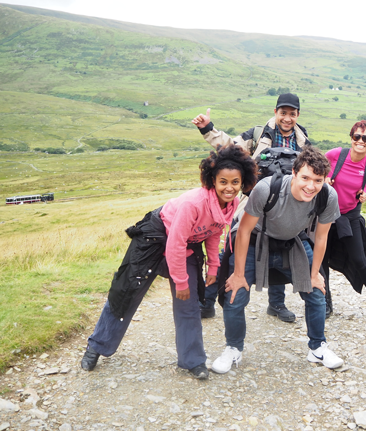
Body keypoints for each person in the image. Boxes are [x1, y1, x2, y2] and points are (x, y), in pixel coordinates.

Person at [81, 146, 257, 379]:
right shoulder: (193, 203)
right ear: (212, 181)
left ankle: (193, 360)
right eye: (223, 181)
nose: (229, 187)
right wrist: (181, 281)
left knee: (190, 303)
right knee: (126, 292)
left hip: (188, 244)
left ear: (243, 182)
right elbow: (175, 243)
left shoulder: (232, 204)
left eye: (235, 182)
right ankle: (97, 346)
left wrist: (213, 267)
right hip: (154, 238)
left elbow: (214, 232)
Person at [211, 146, 344, 373]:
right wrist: (239, 274)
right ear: (294, 172)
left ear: (325, 179)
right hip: (254, 240)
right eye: (305, 178)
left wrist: (314, 275)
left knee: (317, 291)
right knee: (234, 293)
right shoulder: (266, 189)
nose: (311, 186)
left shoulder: (327, 196)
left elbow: (321, 238)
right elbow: (243, 232)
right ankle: (233, 348)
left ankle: (318, 347)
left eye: (318, 180)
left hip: (292, 241)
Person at [192, 93, 310, 323]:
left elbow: (312, 167)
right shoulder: (258, 134)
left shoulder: (303, 140)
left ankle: (276, 304)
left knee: (282, 250)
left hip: (287, 206)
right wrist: (208, 129)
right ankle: (207, 301)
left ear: (297, 115)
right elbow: (229, 147)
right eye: (283, 113)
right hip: (254, 201)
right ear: (275, 112)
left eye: (292, 114)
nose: (287, 118)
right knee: (231, 249)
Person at [322, 120, 366, 322]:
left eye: (365, 138)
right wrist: (324, 179)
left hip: (350, 216)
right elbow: (319, 169)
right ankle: (326, 304)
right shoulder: (336, 155)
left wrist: (365, 193)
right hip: (326, 215)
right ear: (351, 138)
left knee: (360, 260)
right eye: (356, 136)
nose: (360, 141)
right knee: (321, 260)